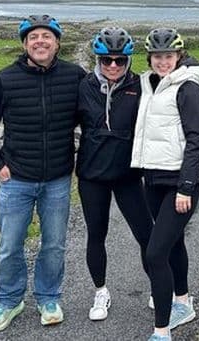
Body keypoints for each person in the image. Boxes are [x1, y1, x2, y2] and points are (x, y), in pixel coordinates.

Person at [0, 14, 86, 332]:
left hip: (58, 179)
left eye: (46, 36)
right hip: (17, 179)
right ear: (25, 44)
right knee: (10, 244)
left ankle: (48, 297)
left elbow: (89, 120)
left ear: (57, 43)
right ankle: (9, 301)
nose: (40, 41)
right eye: (34, 37)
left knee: (54, 244)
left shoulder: (74, 76)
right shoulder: (4, 79)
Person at [131, 28, 199, 341]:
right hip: (153, 178)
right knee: (174, 242)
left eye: (168, 56)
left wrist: (186, 186)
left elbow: (197, 139)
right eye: (157, 56)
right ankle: (183, 300)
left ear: (179, 56)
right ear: (149, 58)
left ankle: (161, 332)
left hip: (180, 181)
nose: (163, 61)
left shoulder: (188, 87)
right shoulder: (151, 84)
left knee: (155, 253)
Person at [76, 27, 154, 321]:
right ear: (97, 60)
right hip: (91, 176)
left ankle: (158, 287)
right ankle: (101, 292)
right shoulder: (83, 85)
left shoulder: (141, 86)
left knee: (146, 234)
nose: (112, 66)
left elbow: (177, 77)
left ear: (128, 61)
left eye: (119, 60)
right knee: (96, 235)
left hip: (128, 176)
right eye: (106, 60)